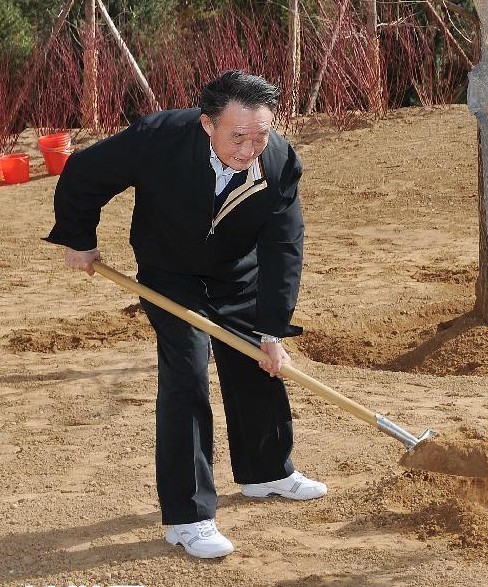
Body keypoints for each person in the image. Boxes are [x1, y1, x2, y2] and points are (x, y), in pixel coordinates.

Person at [45, 70, 327, 559]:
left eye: (260, 134)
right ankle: (188, 517)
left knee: (257, 361)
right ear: (207, 125)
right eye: (237, 136)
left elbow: (285, 246)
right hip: (170, 273)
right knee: (188, 373)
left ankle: (267, 472)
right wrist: (80, 236)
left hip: (238, 274)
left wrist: (272, 328)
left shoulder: (278, 161)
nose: (249, 148)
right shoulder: (160, 138)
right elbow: (85, 173)